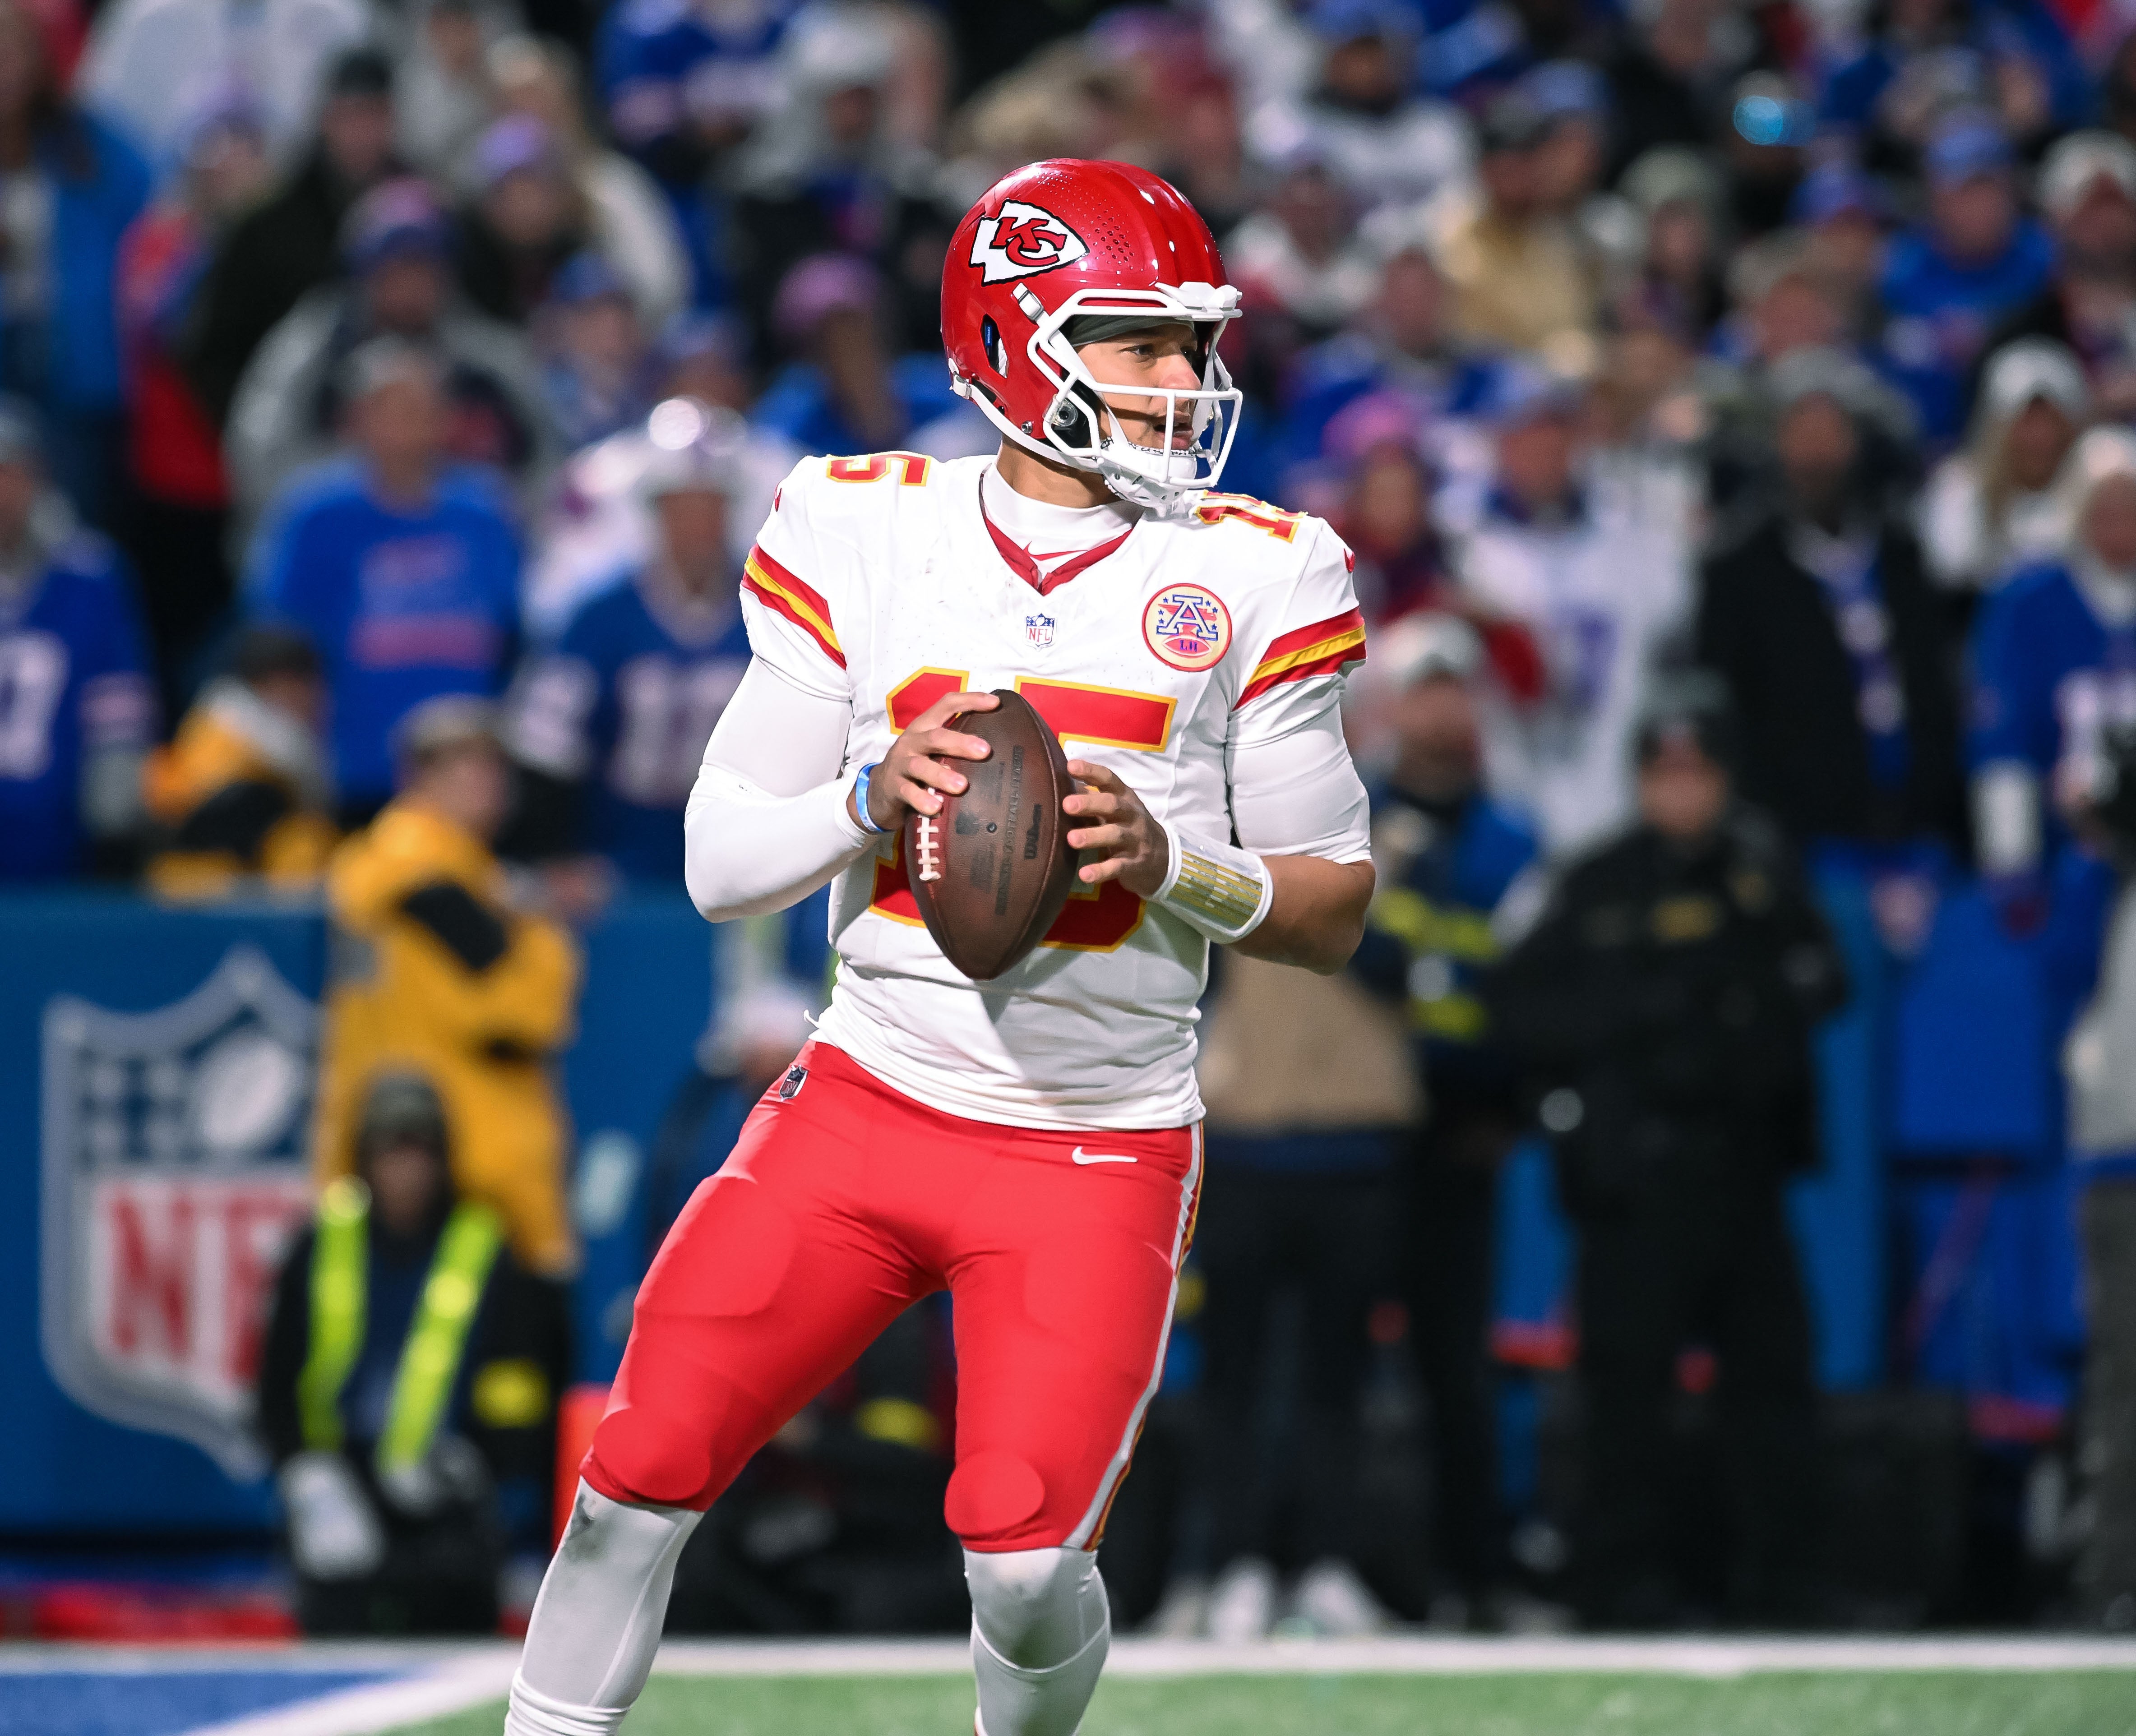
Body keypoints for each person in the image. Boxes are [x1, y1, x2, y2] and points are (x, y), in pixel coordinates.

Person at [504, 157, 1377, 1736]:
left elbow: (1331, 907)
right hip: (864, 1101)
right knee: (634, 1472)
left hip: (1093, 1136)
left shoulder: (1263, 564)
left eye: (1195, 344)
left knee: (1028, 1565)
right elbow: (719, 864)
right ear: (1013, 339)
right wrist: (868, 792)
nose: (1186, 379)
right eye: (1143, 342)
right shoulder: (863, 523)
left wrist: (1177, 863)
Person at [1488, 679, 1847, 1627]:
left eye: (1699, 770)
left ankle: (1781, 1583)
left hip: (1743, 1169)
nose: (1682, 790)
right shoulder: (1594, 879)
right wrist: (1636, 1025)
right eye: (1665, 770)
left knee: (1770, 1384)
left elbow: (1825, 983)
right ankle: (1618, 1585)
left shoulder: (1762, 873)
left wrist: (1728, 1021)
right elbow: (1516, 1004)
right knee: (1624, 1388)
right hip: (1634, 1179)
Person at [1349, 613, 1541, 1619]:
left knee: (1458, 1365)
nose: (1439, 712)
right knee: (1335, 1360)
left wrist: (1507, 1105)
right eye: (1422, 690)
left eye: (1453, 690)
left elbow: (1536, 991)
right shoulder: (1343, 822)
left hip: (1464, 1129)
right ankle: (1344, 1571)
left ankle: (1475, 1575)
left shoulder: (1515, 840)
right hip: (1361, 1125)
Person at [258, 1070, 573, 1635]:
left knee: (456, 1604)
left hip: (445, 1494)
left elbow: (521, 1379)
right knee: (338, 1608)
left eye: (421, 1152)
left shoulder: (483, 1242)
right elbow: (276, 1378)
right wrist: (305, 1473)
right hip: (343, 1484)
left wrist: (478, 1460)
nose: (406, 1171)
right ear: (365, 1157)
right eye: (391, 1152)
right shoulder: (323, 1242)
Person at [314, 696, 582, 1277]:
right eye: (462, 766)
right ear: (417, 778)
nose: (485, 783)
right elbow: (529, 1012)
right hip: (461, 1154)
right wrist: (542, 932)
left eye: (493, 766)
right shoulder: (426, 876)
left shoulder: (454, 873)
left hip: (412, 1143)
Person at [1697, 348, 1968, 860]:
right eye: (1802, 434)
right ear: (1776, 442)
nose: (1817, 454)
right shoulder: (1737, 566)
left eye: (1830, 434)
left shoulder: (1901, 552)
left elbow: (1937, 676)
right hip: (1804, 835)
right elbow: (1728, 703)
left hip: (1920, 822)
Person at [248, 338, 523, 826]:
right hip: (353, 771)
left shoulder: (484, 511)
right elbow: (280, 645)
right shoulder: (315, 515)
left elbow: (513, 632)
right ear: (354, 420)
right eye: (389, 408)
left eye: (422, 408)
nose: (407, 424)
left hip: (465, 780)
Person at [505, 402, 752, 883]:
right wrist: (556, 854)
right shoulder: (600, 619)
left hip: (741, 855)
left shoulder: (772, 612)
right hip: (616, 862)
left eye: (711, 507)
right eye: (683, 509)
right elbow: (545, 747)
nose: (698, 526)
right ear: (656, 514)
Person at [1453, 365, 1691, 859]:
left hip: (1619, 795)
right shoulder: (1462, 549)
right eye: (1528, 434)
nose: (1545, 449)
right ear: (1500, 444)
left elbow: (1676, 629)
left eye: (1557, 433)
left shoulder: (1630, 544)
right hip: (1504, 803)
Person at [226, 177, 552, 525]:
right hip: (341, 540)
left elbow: (549, 455)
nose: (409, 285)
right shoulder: (313, 348)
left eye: (423, 269)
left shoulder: (488, 358)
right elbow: (257, 455)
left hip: (468, 544)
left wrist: (496, 516)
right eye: (394, 269)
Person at [115, 98, 273, 714]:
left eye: (242, 151)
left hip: (249, 476)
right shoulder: (158, 241)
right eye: (213, 153)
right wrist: (209, 247)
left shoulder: (275, 240)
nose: (226, 168)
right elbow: (158, 329)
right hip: (172, 475)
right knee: (177, 641)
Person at [178, 46, 404, 430]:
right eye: (351, 115)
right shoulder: (266, 226)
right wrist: (258, 434)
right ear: (324, 119)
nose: (364, 133)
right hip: (294, 441)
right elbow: (213, 352)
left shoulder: (427, 207)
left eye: (376, 115)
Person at [1971, 426, 2136, 910]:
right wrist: (2011, 855)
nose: (2119, 526)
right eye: (2105, 508)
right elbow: (2003, 733)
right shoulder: (2028, 603)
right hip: (2064, 851)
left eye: (2130, 508)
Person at [0, 0, 149, 527]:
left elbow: (151, 220)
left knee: (75, 521)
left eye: (11, 52)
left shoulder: (90, 144)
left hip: (73, 365)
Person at [0, 397, 152, 879]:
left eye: (10, 474)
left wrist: (114, 818)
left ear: (38, 478)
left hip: (58, 835)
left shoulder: (89, 576)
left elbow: (117, 708)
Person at [1876, 111, 2056, 447]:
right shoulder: (1900, 270)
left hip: (2025, 444)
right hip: (1924, 443)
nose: (1980, 206)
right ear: (1936, 197)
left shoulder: (2045, 260)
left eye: (1990, 190)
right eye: (1964, 193)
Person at [143, 623, 336, 896]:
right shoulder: (240, 761)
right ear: (276, 682)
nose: (321, 698)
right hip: (203, 907)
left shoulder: (247, 744)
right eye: (310, 683)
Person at [1920, 337, 2086, 595]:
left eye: (2052, 421)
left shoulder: (2099, 485)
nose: (2040, 437)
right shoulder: (1958, 487)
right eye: (2026, 422)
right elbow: (1953, 569)